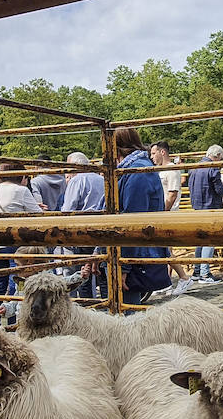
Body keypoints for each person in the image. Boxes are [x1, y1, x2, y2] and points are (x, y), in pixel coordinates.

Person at [107, 127, 172, 302]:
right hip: (134, 253)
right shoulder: (133, 170)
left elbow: (131, 222)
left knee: (127, 312)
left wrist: (124, 268)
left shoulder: (135, 173)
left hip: (134, 257)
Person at [0, 163, 46, 323]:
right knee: (17, 281)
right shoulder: (21, 190)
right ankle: (15, 322)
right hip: (17, 243)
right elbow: (37, 214)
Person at [61, 151, 108, 300]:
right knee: (103, 275)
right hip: (103, 230)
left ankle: (88, 306)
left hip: (83, 232)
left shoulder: (77, 180)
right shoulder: (102, 179)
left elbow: (68, 210)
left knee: (84, 274)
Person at [150, 140, 193, 295]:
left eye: (153, 153)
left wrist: (162, 211)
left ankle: (184, 277)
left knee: (165, 249)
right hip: (161, 213)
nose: (151, 156)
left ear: (163, 152)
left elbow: (172, 194)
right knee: (164, 249)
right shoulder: (159, 170)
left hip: (167, 214)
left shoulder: (172, 170)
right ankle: (166, 283)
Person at [188, 145, 223, 284]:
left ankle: (197, 271)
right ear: (216, 156)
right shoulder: (213, 169)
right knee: (210, 240)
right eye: (220, 159)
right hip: (211, 208)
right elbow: (219, 190)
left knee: (200, 240)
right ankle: (205, 273)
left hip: (197, 207)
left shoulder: (194, 168)